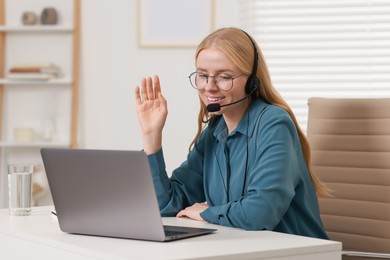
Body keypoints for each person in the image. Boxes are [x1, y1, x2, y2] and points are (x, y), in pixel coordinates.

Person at [134, 27, 329, 239]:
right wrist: (152, 136)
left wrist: (206, 213)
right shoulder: (214, 134)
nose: (209, 87)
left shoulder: (274, 124)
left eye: (224, 77)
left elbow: (260, 214)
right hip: (242, 249)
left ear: (252, 81)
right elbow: (166, 205)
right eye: (202, 76)